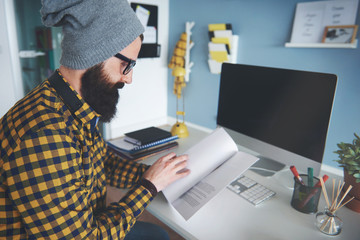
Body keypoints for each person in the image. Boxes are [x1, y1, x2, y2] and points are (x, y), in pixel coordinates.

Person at [0, 0, 190, 239]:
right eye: (126, 64)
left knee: (157, 234)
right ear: (93, 53)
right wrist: (149, 187)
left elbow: (101, 162)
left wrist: (153, 173)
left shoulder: (69, 104)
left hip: (88, 221)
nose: (129, 78)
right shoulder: (44, 134)